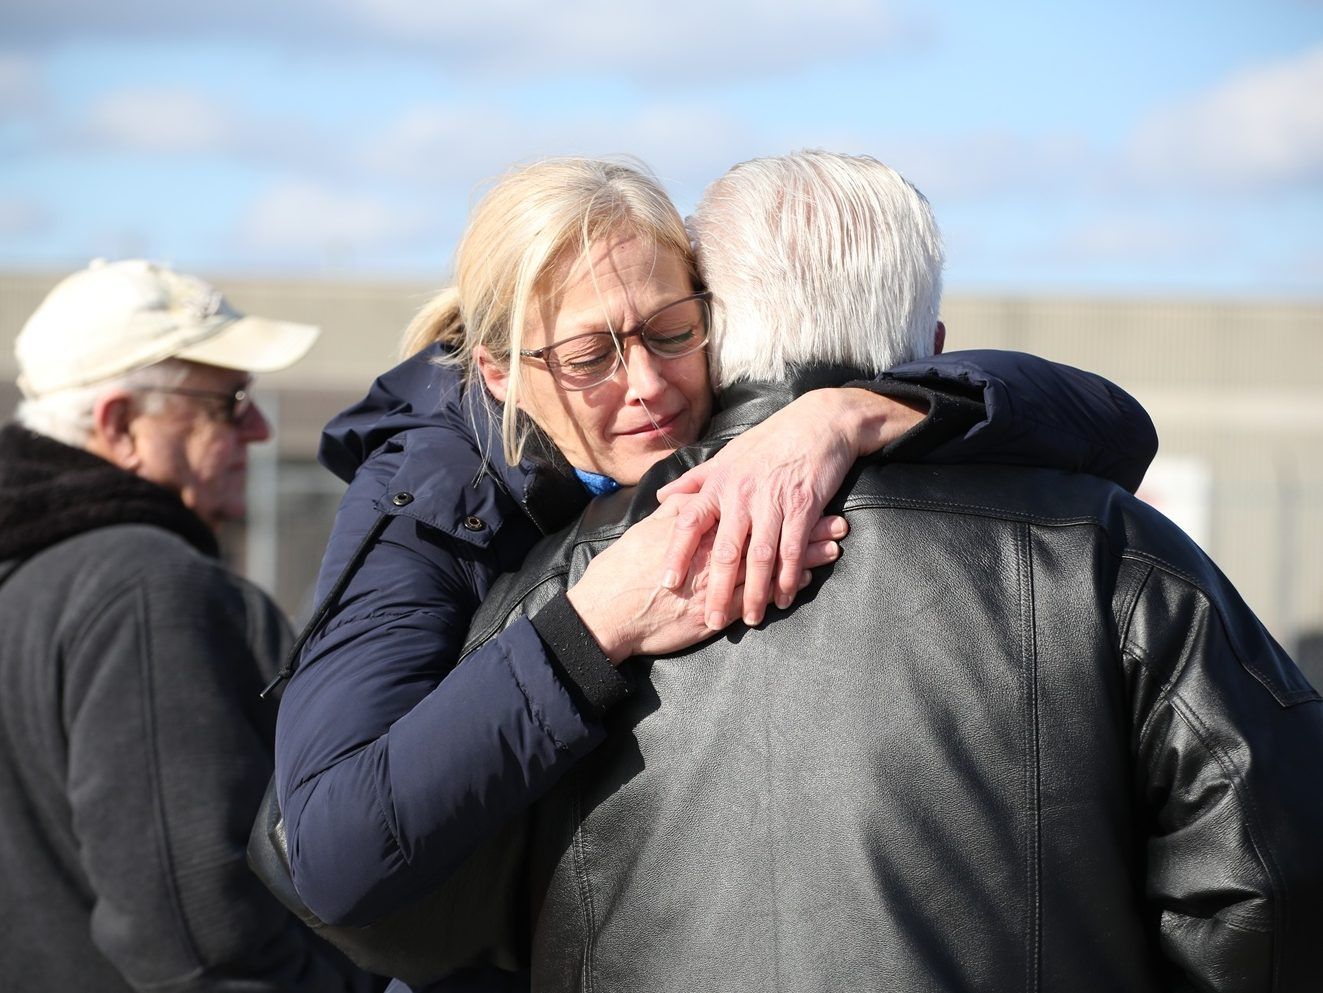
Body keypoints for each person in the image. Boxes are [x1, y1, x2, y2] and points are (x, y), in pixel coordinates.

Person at [272, 157, 1159, 989]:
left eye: (672, 330)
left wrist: (853, 411)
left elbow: (1114, 428)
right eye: (588, 358)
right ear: (501, 372)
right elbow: (331, 850)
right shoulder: (422, 501)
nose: (649, 385)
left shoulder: (775, 433)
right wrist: (591, 627)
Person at [459, 151, 1323, 992]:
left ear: (711, 332)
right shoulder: (1113, 553)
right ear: (933, 345)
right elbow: (1269, 879)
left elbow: (431, 901)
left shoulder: (561, 582)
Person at [0, 259, 372, 992]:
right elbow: (198, 935)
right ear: (120, 425)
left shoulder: (34, 575)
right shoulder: (144, 587)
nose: (260, 427)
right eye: (228, 402)